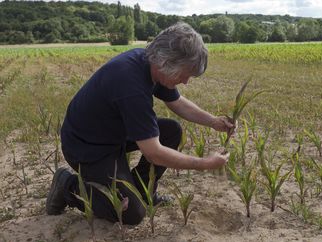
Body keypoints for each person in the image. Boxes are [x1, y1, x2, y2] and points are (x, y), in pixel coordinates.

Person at [46, 22, 233, 225]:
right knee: (131, 213)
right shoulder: (131, 85)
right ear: (166, 62)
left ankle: (144, 191)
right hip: (88, 148)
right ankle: (67, 186)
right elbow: (154, 152)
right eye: (184, 74)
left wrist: (214, 121)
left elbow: (177, 102)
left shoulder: (149, 63)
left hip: (113, 132)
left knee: (171, 131)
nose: (186, 81)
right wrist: (204, 164)